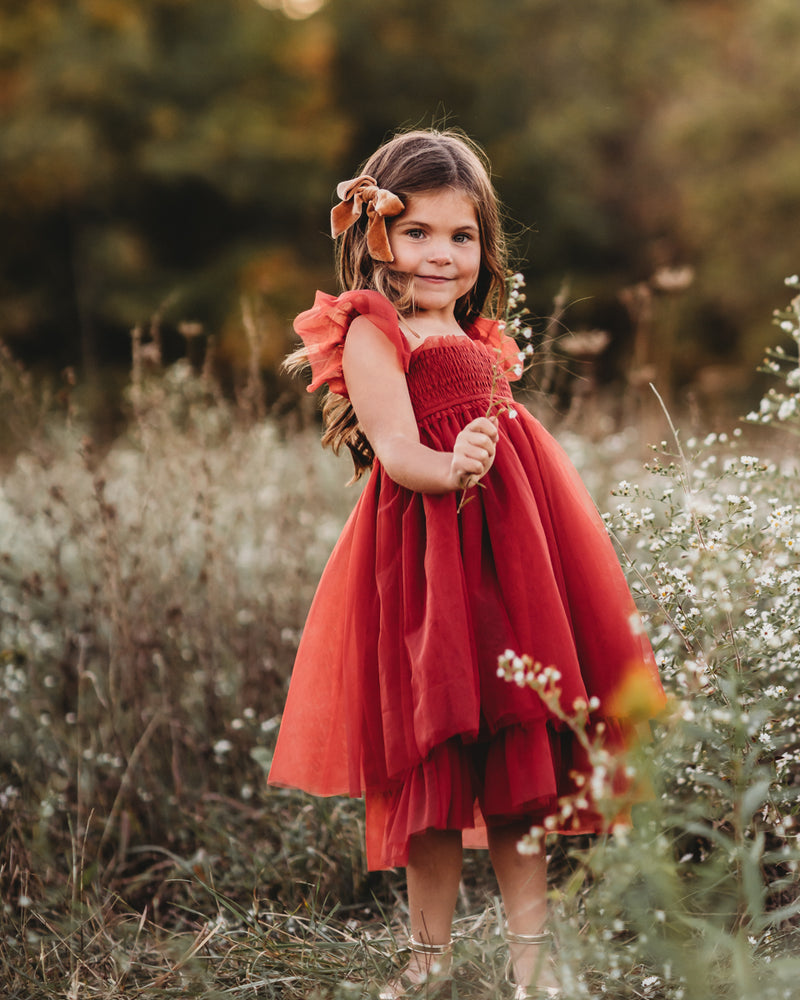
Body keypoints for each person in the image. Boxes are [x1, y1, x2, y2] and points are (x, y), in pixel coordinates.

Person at [268, 129, 665, 999]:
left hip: (511, 563)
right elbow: (399, 451)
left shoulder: (479, 332)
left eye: (462, 235)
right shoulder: (375, 330)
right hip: (430, 567)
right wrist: (454, 467)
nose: (441, 254)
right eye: (417, 233)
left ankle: (532, 961)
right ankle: (428, 963)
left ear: (484, 244)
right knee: (436, 770)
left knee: (521, 762)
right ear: (376, 237)